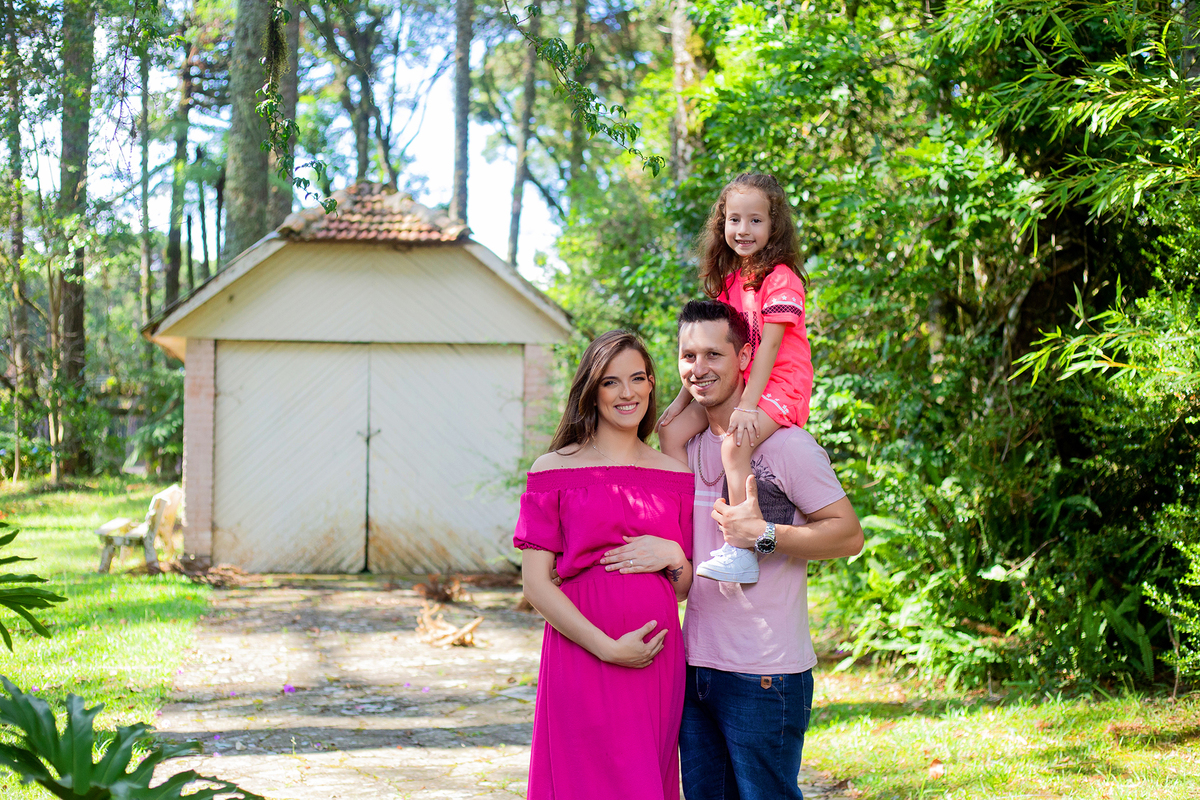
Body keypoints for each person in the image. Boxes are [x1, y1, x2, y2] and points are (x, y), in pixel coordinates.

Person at [662, 300, 863, 800]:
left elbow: (848, 535)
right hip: (695, 667)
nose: (699, 368)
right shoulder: (684, 448)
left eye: (713, 354)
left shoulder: (787, 445)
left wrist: (765, 534)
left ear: (745, 356)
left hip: (765, 673)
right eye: (688, 356)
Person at [515, 330, 695, 800]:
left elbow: (682, 587)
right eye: (612, 382)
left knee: (644, 780)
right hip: (581, 651)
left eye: (638, 379)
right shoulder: (553, 469)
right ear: (592, 390)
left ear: (653, 385)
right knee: (582, 780)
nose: (627, 392)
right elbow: (536, 584)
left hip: (656, 659)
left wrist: (675, 557)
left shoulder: (675, 475)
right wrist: (607, 647)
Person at [659, 173, 813, 584]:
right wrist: (680, 401)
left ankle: (740, 549)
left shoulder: (781, 279)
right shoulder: (730, 281)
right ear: (722, 223)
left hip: (781, 384)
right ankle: (681, 531)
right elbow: (709, 345)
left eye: (755, 220)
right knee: (672, 431)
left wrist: (746, 407)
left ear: (774, 225)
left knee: (732, 446)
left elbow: (769, 349)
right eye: (734, 220)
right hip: (745, 383)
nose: (743, 230)